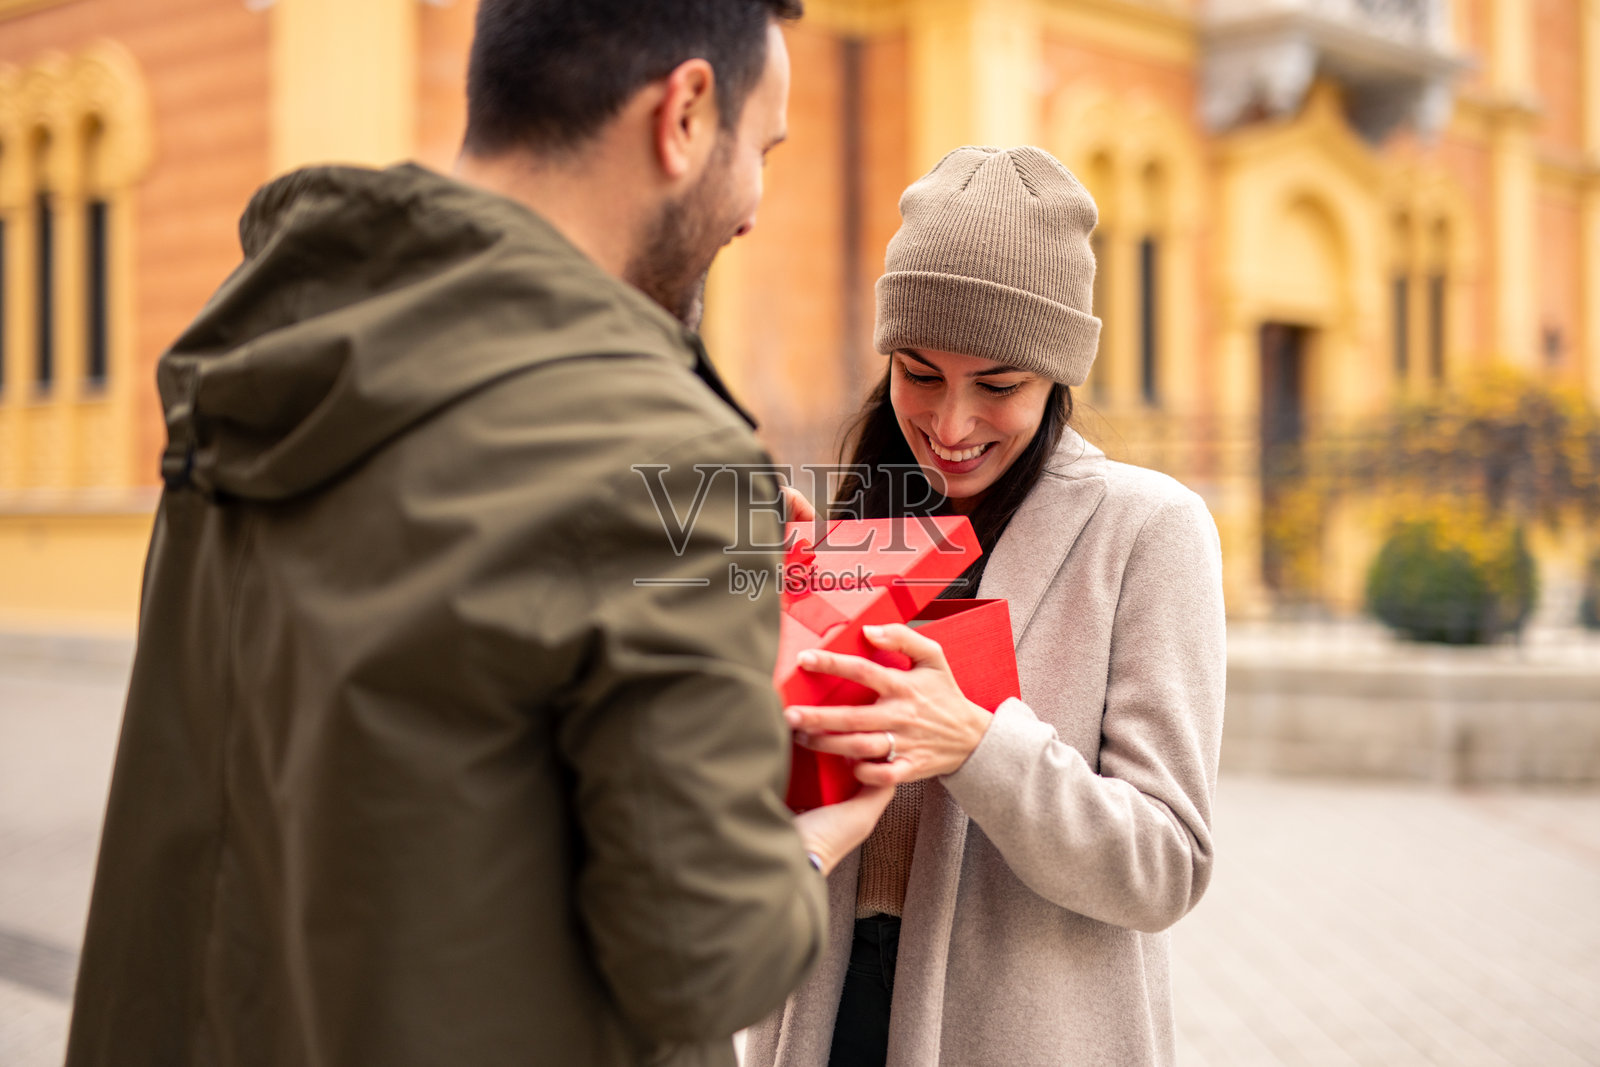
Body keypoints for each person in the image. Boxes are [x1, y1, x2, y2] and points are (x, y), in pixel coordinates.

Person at [64, 3, 892, 1065]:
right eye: (760, 149)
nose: (751, 210)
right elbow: (706, 949)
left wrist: (719, 566)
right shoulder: (665, 452)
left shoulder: (270, 345)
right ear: (683, 113)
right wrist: (828, 834)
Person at [746, 146, 1227, 1066]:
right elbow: (773, 800)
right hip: (818, 1011)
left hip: (1025, 1034)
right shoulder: (859, 516)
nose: (951, 423)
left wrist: (976, 744)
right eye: (919, 372)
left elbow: (1167, 863)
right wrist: (754, 657)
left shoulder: (1148, 529)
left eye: (998, 385)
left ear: (1055, 378)